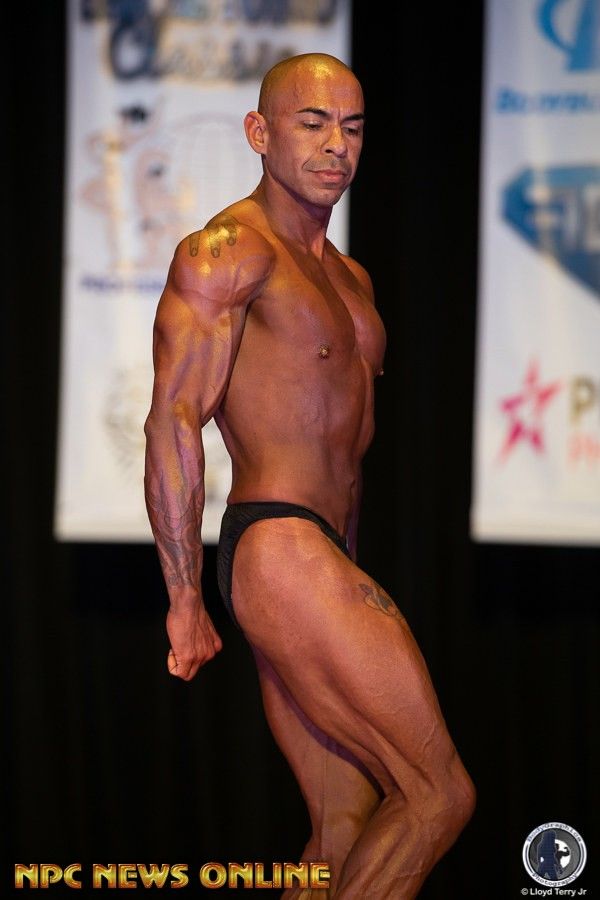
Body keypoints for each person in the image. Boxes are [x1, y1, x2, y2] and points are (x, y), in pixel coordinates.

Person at [144, 53, 475, 898]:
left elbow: (346, 453)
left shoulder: (350, 280)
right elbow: (174, 417)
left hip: (319, 553)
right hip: (280, 544)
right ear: (259, 133)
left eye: (353, 128)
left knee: (342, 829)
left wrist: (343, 574)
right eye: (314, 122)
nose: (337, 145)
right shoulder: (227, 253)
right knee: (438, 794)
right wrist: (183, 598)